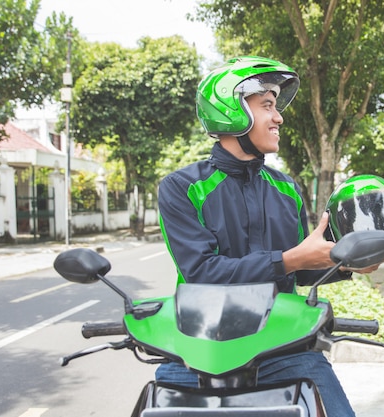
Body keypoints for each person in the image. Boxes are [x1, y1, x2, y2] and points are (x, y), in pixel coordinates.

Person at [157, 55, 368, 417]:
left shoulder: (286, 189)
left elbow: (300, 269)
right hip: (200, 350)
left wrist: (346, 261)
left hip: (282, 348)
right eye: (267, 105)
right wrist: (290, 260)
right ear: (231, 110)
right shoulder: (182, 188)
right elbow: (203, 273)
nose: (279, 117)